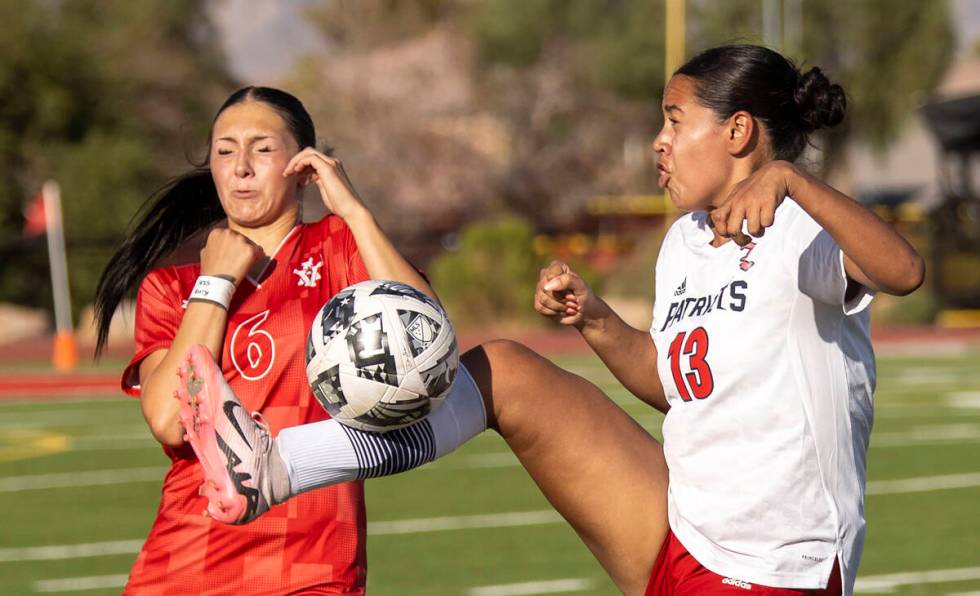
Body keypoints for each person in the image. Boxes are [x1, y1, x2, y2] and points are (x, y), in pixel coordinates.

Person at [171, 46, 924, 596]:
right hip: (682, 524)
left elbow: (903, 270)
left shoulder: (802, 226)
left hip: (774, 564)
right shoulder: (686, 242)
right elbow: (673, 386)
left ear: (737, 134)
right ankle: (275, 464)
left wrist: (792, 179)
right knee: (507, 372)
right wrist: (595, 320)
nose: (658, 142)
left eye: (674, 121)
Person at [93, 86, 437, 594]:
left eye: (262, 148)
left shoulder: (339, 249)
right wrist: (215, 285)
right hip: (183, 566)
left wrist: (355, 211)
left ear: (303, 166)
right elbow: (169, 421)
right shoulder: (172, 286)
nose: (241, 167)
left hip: (311, 569)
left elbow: (426, 333)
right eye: (225, 151)